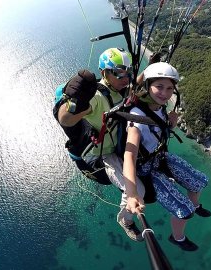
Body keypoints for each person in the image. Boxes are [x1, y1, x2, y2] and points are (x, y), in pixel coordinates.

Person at [57, 47, 146, 242]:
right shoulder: (96, 97)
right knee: (138, 191)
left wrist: (147, 72)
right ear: (105, 73)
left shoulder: (120, 89)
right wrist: (73, 102)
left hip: (115, 144)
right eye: (120, 73)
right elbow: (66, 119)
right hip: (102, 155)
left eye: (128, 73)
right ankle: (126, 220)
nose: (125, 78)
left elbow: (131, 87)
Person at [123, 62, 211, 251]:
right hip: (146, 169)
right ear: (148, 86)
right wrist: (131, 194)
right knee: (184, 211)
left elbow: (157, 134)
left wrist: (170, 125)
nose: (165, 93)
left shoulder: (159, 107)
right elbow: (129, 156)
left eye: (170, 88)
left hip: (160, 157)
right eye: (159, 87)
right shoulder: (136, 117)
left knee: (199, 181)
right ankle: (177, 237)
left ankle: (197, 206)